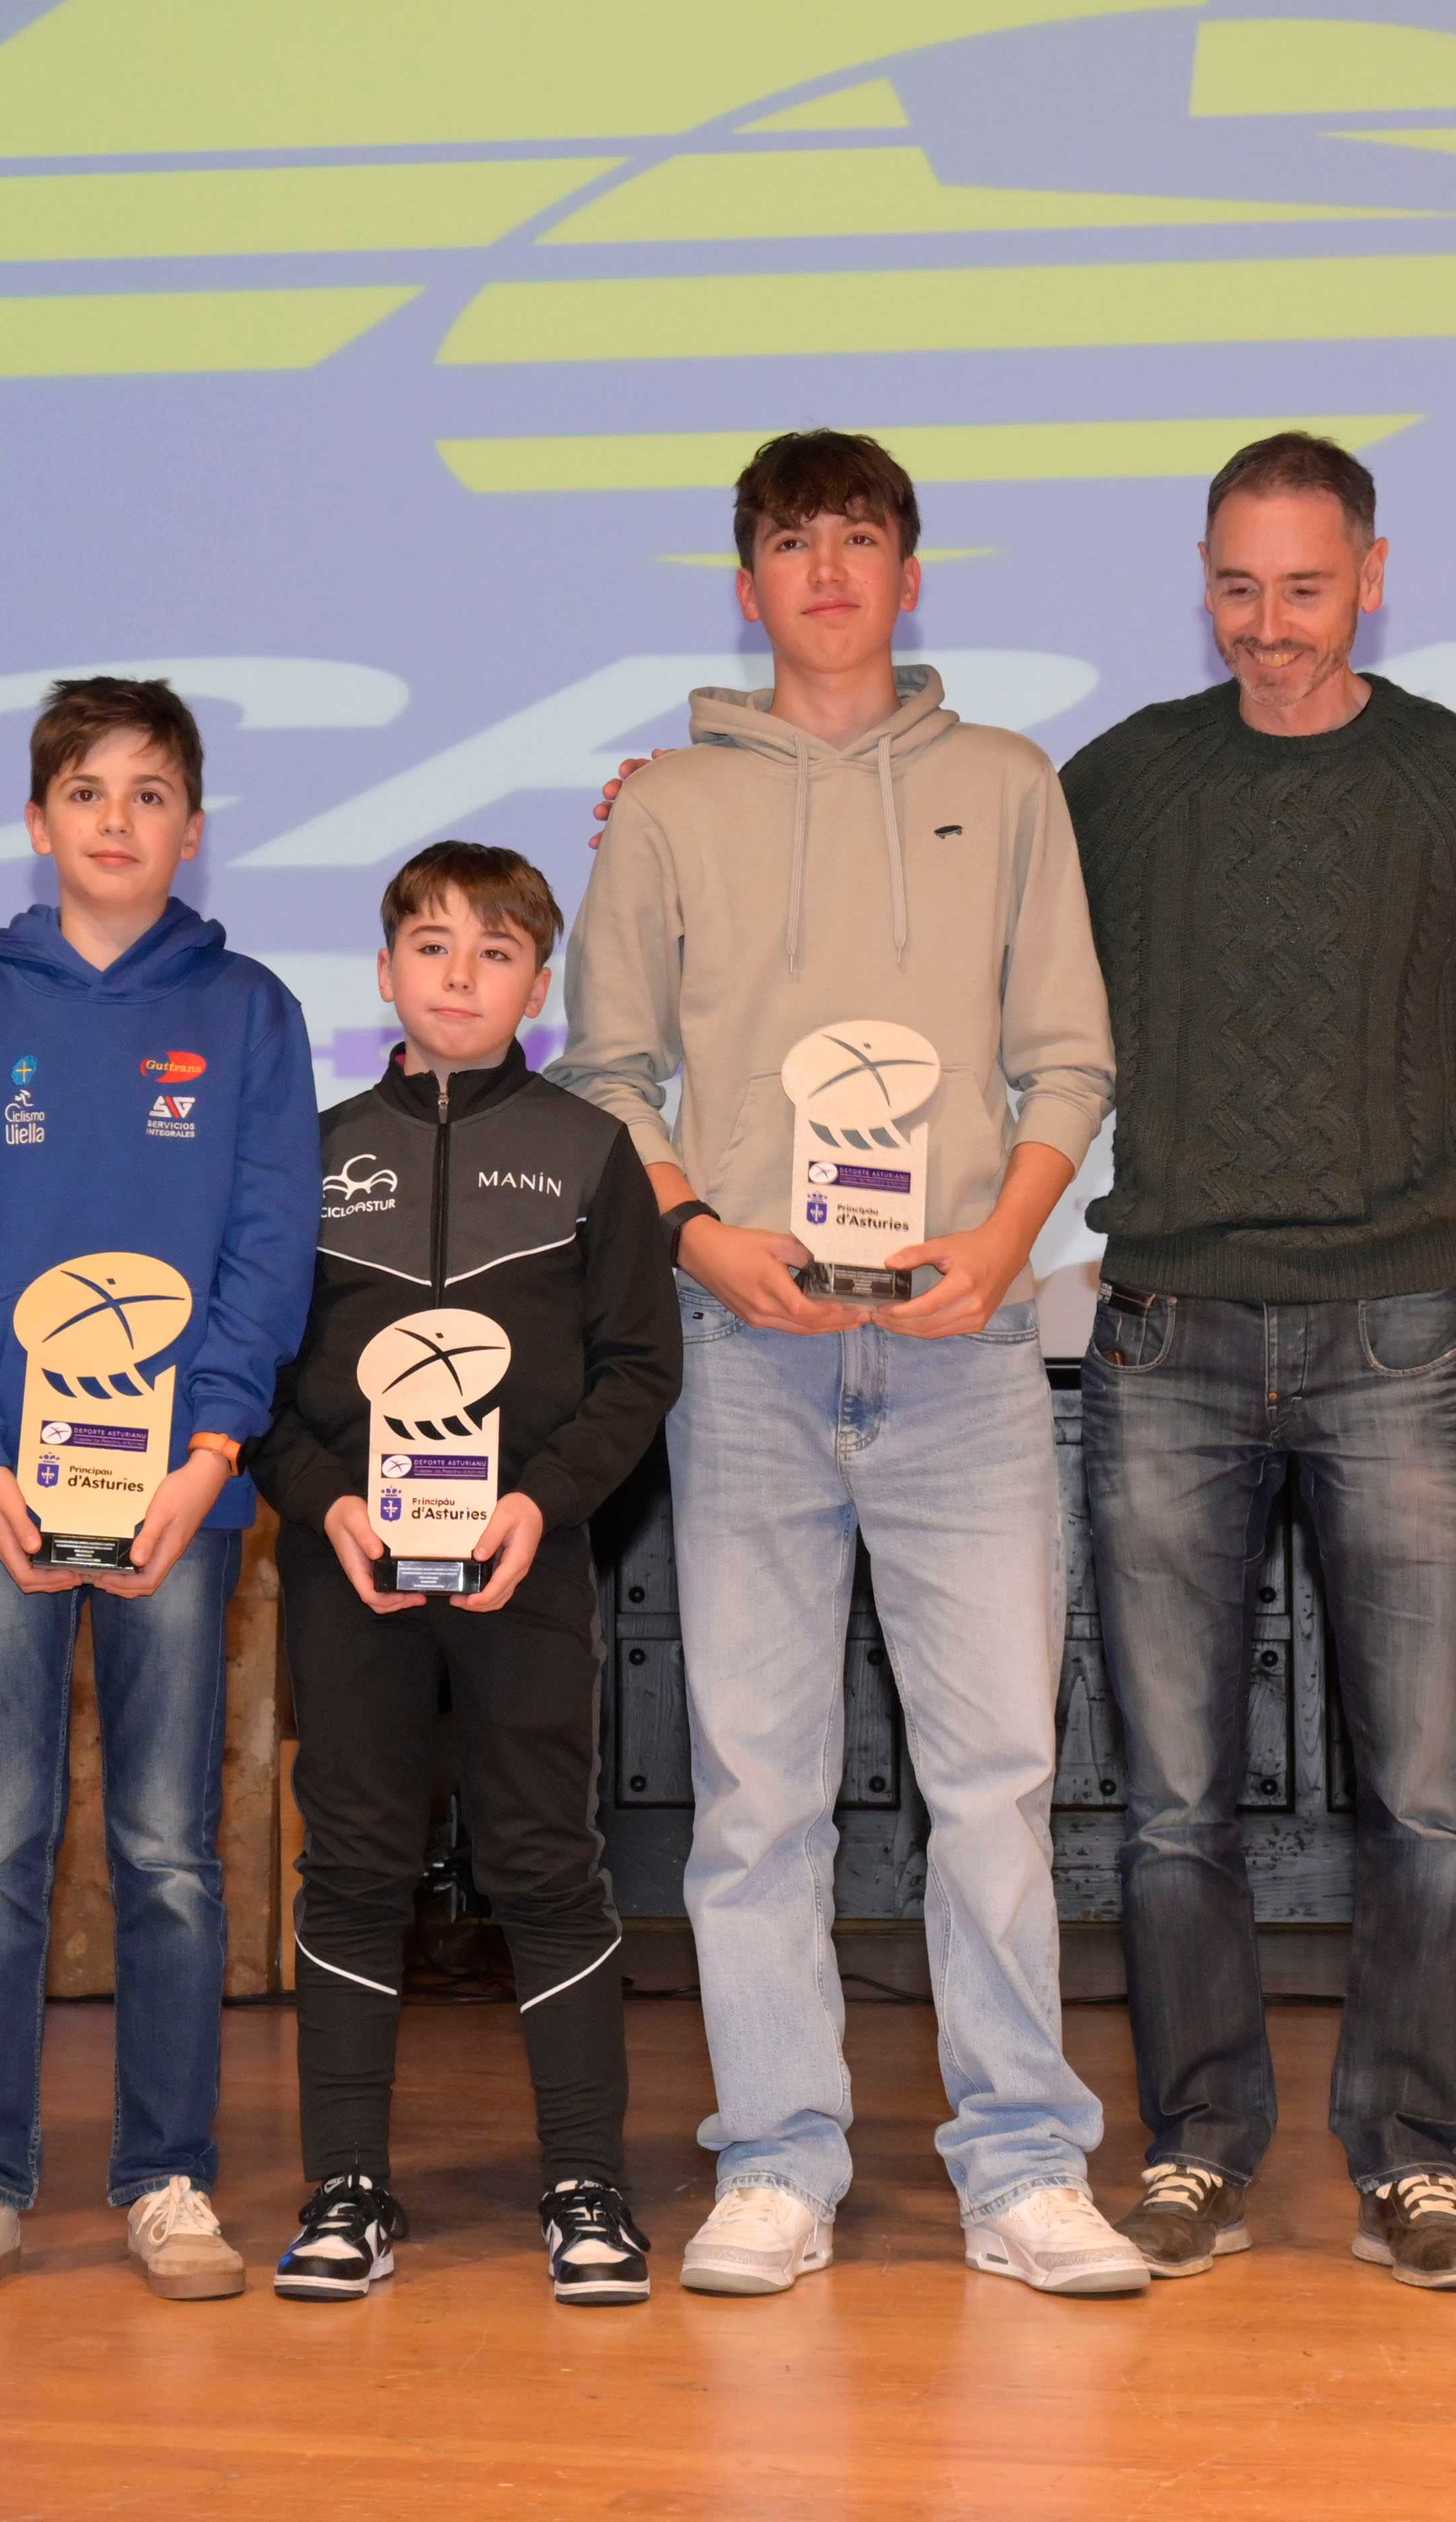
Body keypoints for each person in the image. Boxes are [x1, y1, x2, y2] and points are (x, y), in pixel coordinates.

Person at [1059, 432, 1456, 2293]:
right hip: (1163, 1326)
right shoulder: (1130, 780)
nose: (1269, 629)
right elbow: (942, 923)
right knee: (1171, 1807)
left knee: (1416, 1801)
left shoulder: (1455, 775)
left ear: (1370, 576)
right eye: (1235, 588)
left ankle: (1410, 2159)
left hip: (1397, 1330)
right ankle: (1196, 2150)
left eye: (1304, 591)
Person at [558, 430, 1149, 2299]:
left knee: (993, 1779)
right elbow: (607, 1077)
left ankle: (1026, 2167)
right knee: (758, 1791)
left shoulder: (1006, 782)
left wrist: (1004, 1241)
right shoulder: (665, 809)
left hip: (966, 1351)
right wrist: (695, 1232)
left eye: (861, 541)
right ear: (748, 583)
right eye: (791, 544)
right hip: (745, 1351)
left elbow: (1070, 1059)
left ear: (912, 575)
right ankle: (778, 2162)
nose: (826, 572)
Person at [0, 678, 318, 2303]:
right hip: (1, 1496)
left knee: (171, 1848)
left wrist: (212, 1451)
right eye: (86, 788)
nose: (116, 817)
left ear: (192, 829)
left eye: (148, 792)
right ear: (38, 819)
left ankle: (169, 2170)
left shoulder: (250, 1010)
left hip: (181, 1500)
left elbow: (271, 1246)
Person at [249, 843, 682, 2305]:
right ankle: (347, 2187)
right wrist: (326, 1508)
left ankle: (587, 2182)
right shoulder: (301, 1156)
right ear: (383, 973)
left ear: (537, 989)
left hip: (526, 1572)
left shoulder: (588, 1151)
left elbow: (639, 1369)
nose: (457, 973)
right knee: (357, 1865)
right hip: (351, 1575)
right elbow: (258, 1383)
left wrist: (540, 1506)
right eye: (429, 945)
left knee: (545, 1864)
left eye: (494, 952)